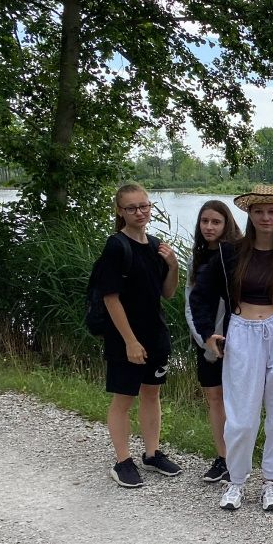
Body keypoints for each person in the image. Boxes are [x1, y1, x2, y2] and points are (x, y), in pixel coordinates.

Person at [189, 184, 273, 512]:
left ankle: (271, 481)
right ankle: (236, 479)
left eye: (272, 211)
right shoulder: (230, 253)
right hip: (241, 329)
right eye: (259, 211)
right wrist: (208, 334)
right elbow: (201, 294)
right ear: (249, 214)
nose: (266, 217)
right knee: (240, 416)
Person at [99, 183, 182, 488]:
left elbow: (167, 293)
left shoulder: (156, 246)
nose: (139, 212)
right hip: (126, 338)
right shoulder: (116, 246)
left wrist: (173, 265)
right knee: (124, 398)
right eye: (131, 208)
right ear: (120, 211)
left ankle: (152, 453)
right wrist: (130, 341)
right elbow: (110, 298)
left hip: (155, 334)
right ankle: (123, 461)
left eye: (144, 206)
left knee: (152, 393)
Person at [184, 199, 242, 483]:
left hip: (237, 340)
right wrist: (204, 339)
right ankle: (223, 458)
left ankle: (240, 458)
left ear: (227, 224)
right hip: (207, 341)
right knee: (215, 398)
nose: (209, 227)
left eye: (216, 222)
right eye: (204, 221)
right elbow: (190, 303)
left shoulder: (237, 256)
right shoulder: (195, 260)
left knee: (238, 401)